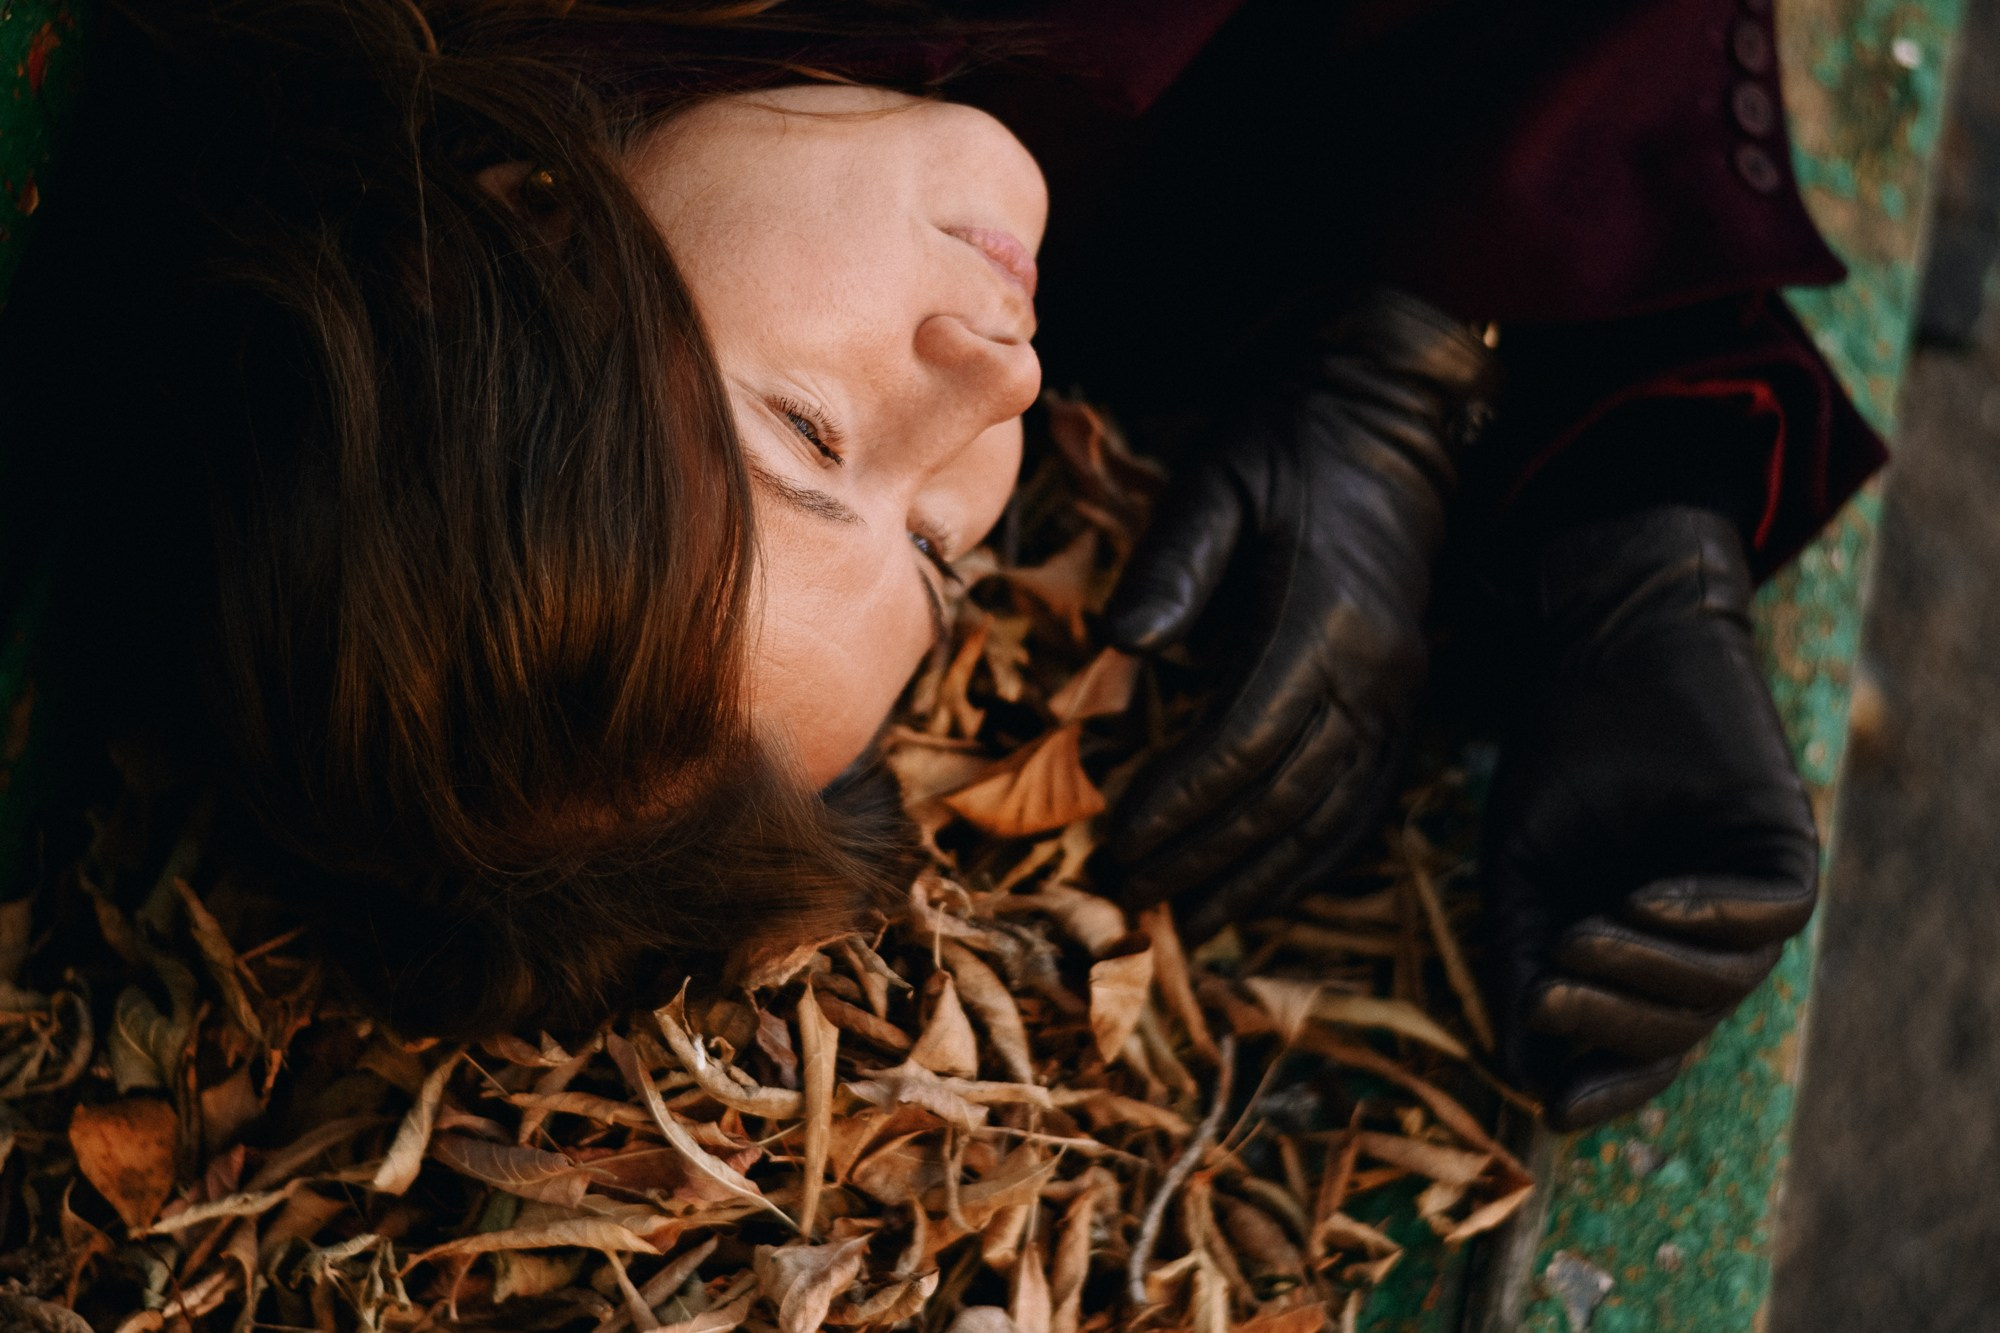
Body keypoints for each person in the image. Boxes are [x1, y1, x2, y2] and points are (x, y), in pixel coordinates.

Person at [0, 0, 1871, 1131]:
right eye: (936, 552)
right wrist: (1626, 524)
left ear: (517, 218)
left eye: (810, 442)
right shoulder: (827, 170)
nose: (1007, 381)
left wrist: (1427, 322)